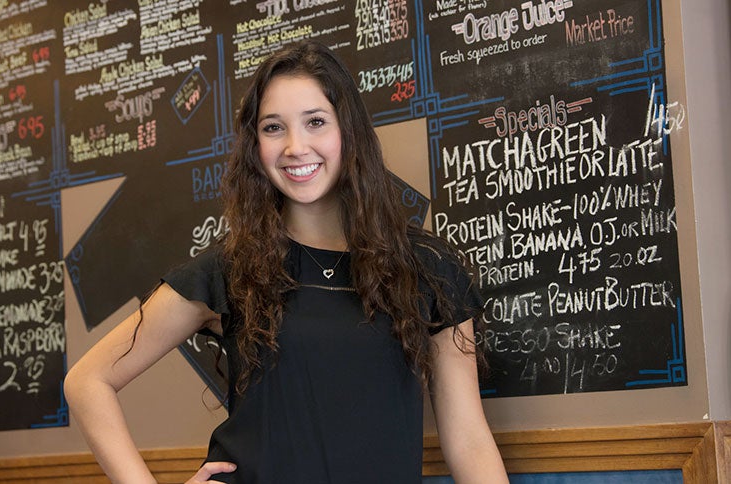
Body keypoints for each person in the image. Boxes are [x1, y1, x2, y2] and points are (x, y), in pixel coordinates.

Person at [64, 40, 508, 484]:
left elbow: (468, 439)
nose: (296, 147)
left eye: (315, 122)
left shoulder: (427, 267)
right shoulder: (229, 267)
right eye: (273, 128)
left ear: (348, 131)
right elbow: (87, 382)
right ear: (255, 144)